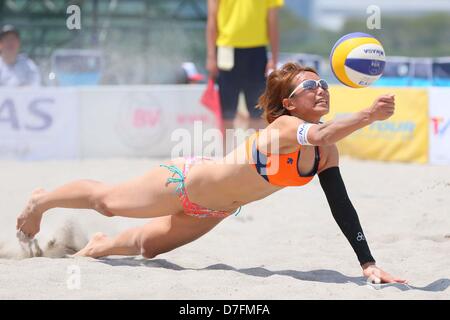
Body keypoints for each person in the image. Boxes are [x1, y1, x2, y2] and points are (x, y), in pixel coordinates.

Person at [16, 62, 406, 284]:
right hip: (183, 182)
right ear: (289, 103)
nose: (321, 89)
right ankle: (41, 202)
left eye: (323, 84)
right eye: (310, 86)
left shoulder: (326, 153)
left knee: (145, 249)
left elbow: (341, 205)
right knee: (106, 202)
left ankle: (92, 247)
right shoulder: (285, 128)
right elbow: (321, 130)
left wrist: (367, 263)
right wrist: (369, 114)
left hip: (214, 212)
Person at [206, 0, 283, 134]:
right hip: (226, 50)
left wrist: (274, 59)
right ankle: (228, 153)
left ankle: (256, 152)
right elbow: (212, 19)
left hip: (257, 52)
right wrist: (211, 56)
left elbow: (273, 23)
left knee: (257, 110)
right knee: (227, 112)